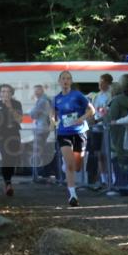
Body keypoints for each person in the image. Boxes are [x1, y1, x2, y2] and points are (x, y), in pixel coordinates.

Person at [54, 70, 95, 207]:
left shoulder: (78, 95)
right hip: (63, 133)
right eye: (63, 78)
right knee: (70, 164)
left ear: (71, 81)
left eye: (68, 78)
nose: (65, 81)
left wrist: (81, 118)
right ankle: (73, 195)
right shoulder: (56, 98)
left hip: (79, 132)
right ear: (59, 81)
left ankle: (68, 164)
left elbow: (92, 110)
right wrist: (52, 121)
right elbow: (53, 114)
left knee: (77, 166)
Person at [0, 84, 23, 196]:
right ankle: (8, 183)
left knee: (12, 159)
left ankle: (8, 181)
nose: (6, 93)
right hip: (2, 135)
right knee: (5, 158)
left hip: (14, 134)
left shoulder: (17, 104)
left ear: (11, 93)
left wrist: (10, 107)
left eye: (8, 91)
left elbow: (19, 120)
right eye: (3, 91)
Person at [104, 79, 128, 195]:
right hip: (125, 132)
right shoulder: (127, 100)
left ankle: (120, 186)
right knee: (125, 158)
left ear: (113, 91)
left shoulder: (115, 102)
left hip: (117, 133)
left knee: (118, 159)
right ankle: (127, 185)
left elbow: (111, 117)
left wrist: (104, 116)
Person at [85, 73, 113, 189]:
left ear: (108, 83)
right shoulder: (96, 95)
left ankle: (107, 179)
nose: (100, 84)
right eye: (99, 82)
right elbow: (93, 109)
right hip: (95, 128)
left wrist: (98, 119)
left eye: (103, 82)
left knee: (104, 154)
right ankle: (100, 178)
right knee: (96, 153)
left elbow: (107, 111)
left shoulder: (110, 95)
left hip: (104, 127)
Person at [30, 85, 55, 181]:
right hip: (44, 128)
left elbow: (33, 114)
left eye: (37, 90)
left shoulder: (42, 101)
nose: (35, 92)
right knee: (42, 151)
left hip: (41, 129)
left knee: (37, 151)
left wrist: (30, 111)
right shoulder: (46, 100)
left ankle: (38, 174)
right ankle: (43, 173)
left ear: (42, 91)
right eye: (35, 90)